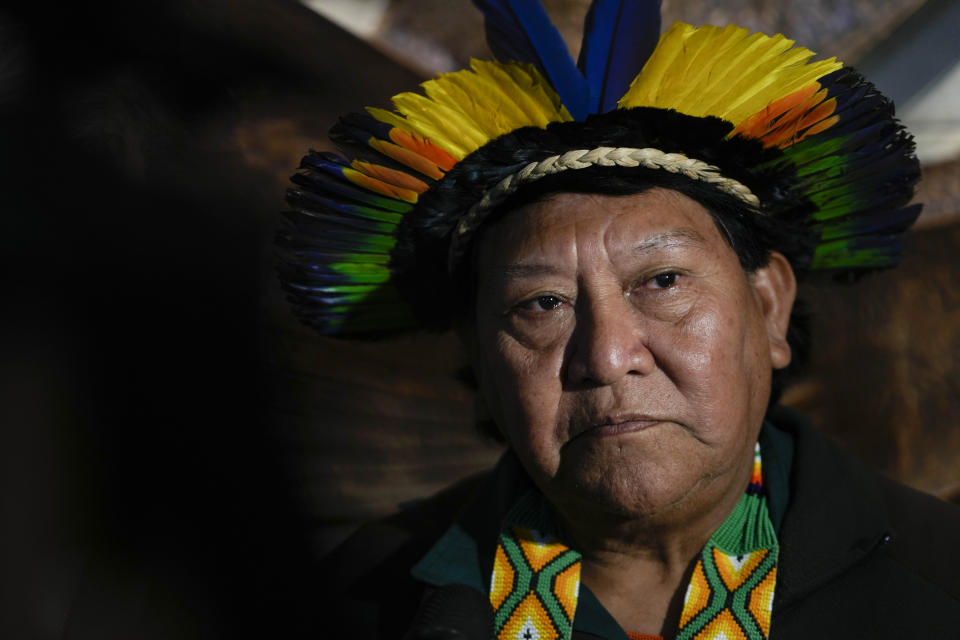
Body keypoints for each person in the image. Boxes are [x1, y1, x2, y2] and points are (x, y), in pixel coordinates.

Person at [275, 1, 960, 638]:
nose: (606, 356)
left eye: (662, 281)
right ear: (479, 356)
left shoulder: (938, 583)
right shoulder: (360, 601)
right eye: (541, 304)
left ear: (769, 306)